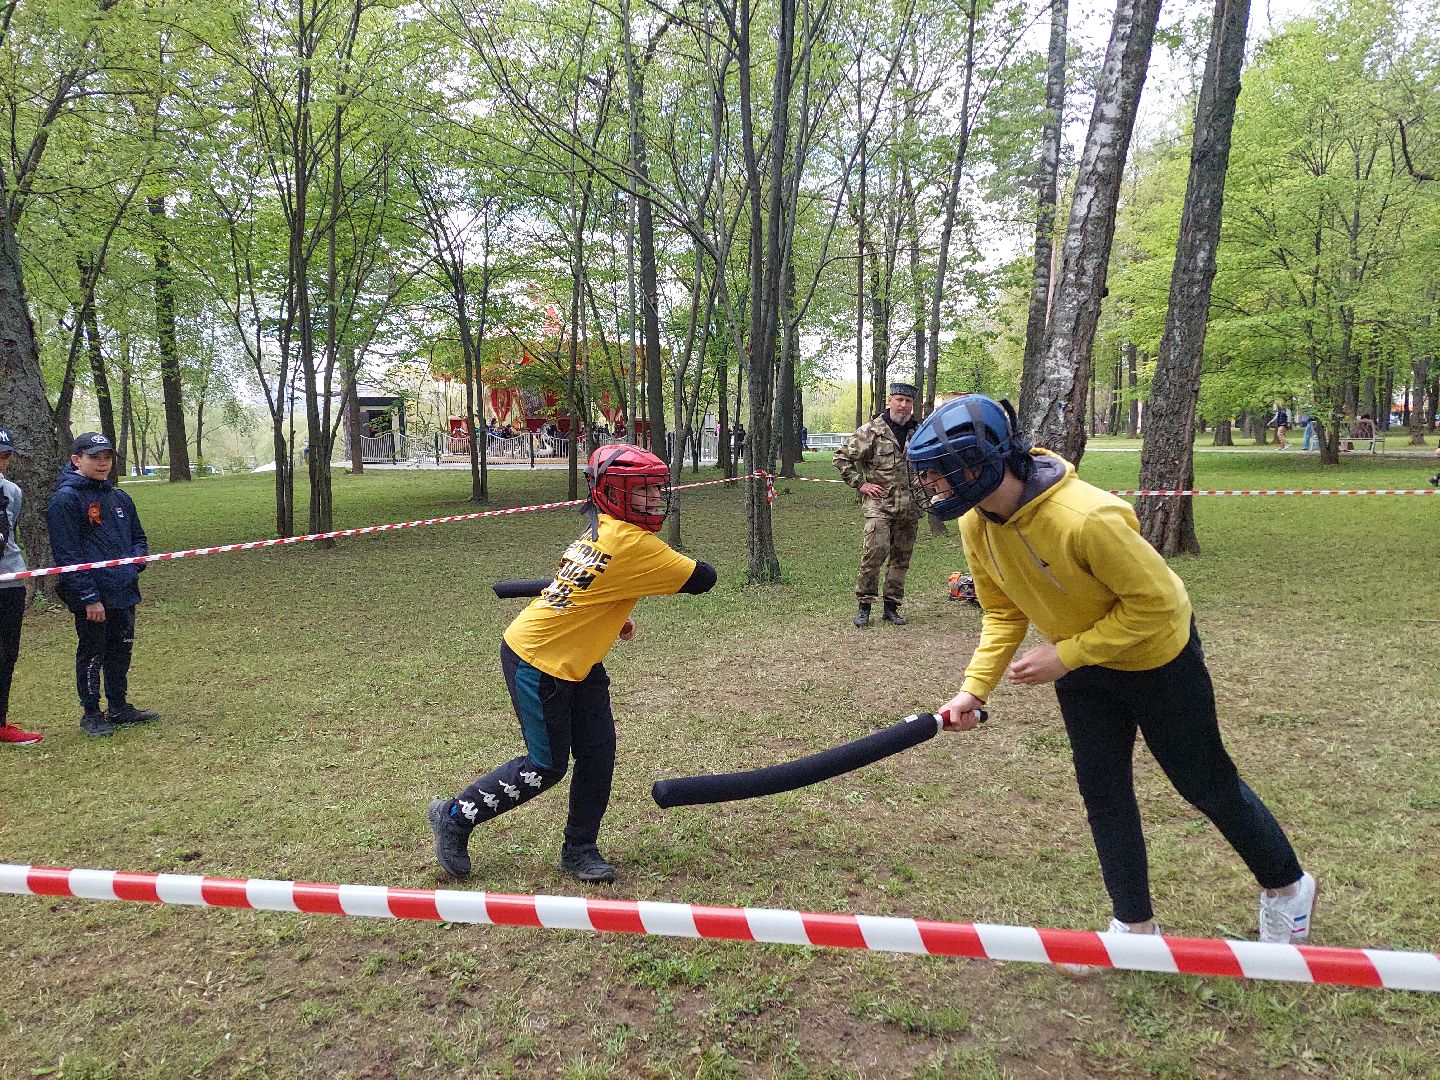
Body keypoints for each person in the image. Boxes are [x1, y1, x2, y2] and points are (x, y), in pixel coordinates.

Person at [908, 394, 1316, 946]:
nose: (930, 486)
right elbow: (1003, 611)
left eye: (938, 473)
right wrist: (973, 691)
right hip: (1081, 670)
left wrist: (1065, 655)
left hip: (1158, 660)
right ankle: (1135, 926)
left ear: (980, 465)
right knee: (1104, 795)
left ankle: (1288, 887)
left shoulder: (1087, 518)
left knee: (1206, 785)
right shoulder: (976, 523)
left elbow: (1159, 606)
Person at [428, 443, 717, 884]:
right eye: (642, 490)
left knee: (598, 754)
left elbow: (584, 585)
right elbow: (702, 579)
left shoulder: (604, 528)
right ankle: (454, 816)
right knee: (545, 766)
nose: (655, 498)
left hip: (578, 658)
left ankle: (579, 849)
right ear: (611, 494)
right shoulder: (631, 541)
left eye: (658, 488)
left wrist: (610, 615)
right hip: (538, 660)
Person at [46, 432, 160, 737]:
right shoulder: (65, 500)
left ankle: (119, 706)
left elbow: (139, 538)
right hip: (93, 596)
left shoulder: (119, 497)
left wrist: (135, 564)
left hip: (123, 590)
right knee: (92, 653)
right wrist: (89, 597)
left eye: (107, 457)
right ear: (76, 460)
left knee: (121, 651)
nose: (102, 463)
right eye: (94, 457)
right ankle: (91, 713)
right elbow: (68, 556)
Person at [833, 381, 923, 628]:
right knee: (874, 554)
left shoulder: (920, 432)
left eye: (908, 402)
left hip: (910, 506)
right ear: (890, 401)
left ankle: (891, 607)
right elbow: (841, 457)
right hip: (879, 505)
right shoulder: (872, 431)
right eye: (899, 400)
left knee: (901, 559)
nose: (903, 406)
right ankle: (864, 606)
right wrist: (860, 484)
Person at [0, 430, 42, 745]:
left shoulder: (12, 491)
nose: (1, 462)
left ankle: (0, 723)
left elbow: (10, 534)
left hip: (9, 582)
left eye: (4, 456)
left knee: (6, 654)